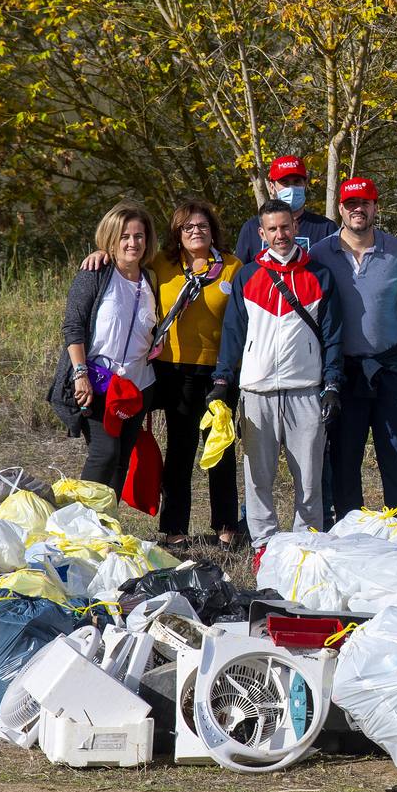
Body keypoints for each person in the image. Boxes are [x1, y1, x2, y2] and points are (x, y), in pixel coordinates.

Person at [210, 199, 343, 549]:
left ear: (295, 228)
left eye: (286, 227)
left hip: (306, 390)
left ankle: (306, 547)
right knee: (258, 479)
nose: (280, 235)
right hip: (257, 391)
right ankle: (263, 547)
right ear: (261, 233)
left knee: (311, 480)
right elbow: (233, 334)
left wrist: (332, 384)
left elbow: (333, 336)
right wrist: (223, 380)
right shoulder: (249, 275)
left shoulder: (319, 274)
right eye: (273, 229)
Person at [309, 177, 397, 520]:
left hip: (391, 366)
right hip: (344, 370)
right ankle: (350, 529)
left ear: (376, 207)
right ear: (341, 208)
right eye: (351, 204)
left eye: (365, 203)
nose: (358, 209)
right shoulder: (320, 254)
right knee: (345, 457)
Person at [147, 201, 243, 547]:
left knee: (220, 447)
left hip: (219, 372)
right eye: (188, 227)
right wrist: (99, 254)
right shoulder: (162, 264)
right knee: (181, 448)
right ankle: (174, 528)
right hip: (175, 369)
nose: (195, 232)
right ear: (177, 233)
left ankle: (227, 526)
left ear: (212, 230)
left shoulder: (231, 267)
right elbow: (125, 266)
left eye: (202, 226)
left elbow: (240, 323)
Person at [47, 201, 159, 495]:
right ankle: (80, 522)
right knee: (104, 452)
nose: (132, 243)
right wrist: (80, 373)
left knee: (122, 458)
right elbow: (73, 325)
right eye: (124, 236)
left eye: (138, 236)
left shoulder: (151, 278)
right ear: (111, 239)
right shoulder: (95, 273)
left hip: (138, 386)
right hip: (99, 382)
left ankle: (108, 527)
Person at [233, 155, 339, 263]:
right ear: (272, 187)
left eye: (297, 181)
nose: (291, 188)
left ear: (305, 184)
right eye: (285, 182)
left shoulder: (326, 228)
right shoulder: (251, 228)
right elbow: (241, 273)